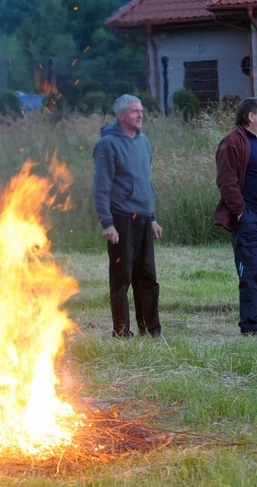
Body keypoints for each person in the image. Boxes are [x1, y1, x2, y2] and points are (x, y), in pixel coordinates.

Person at [93, 94, 163, 338]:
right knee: (122, 279)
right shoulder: (107, 145)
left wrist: (152, 218)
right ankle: (122, 332)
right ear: (121, 115)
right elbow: (101, 188)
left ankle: (151, 330)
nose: (140, 115)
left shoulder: (144, 142)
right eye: (134, 111)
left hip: (144, 218)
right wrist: (107, 223)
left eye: (141, 110)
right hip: (121, 219)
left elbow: (145, 182)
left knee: (148, 278)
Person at [214, 97, 257, 337]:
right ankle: (252, 326)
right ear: (251, 116)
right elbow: (226, 180)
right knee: (251, 274)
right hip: (250, 221)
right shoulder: (233, 142)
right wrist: (242, 213)